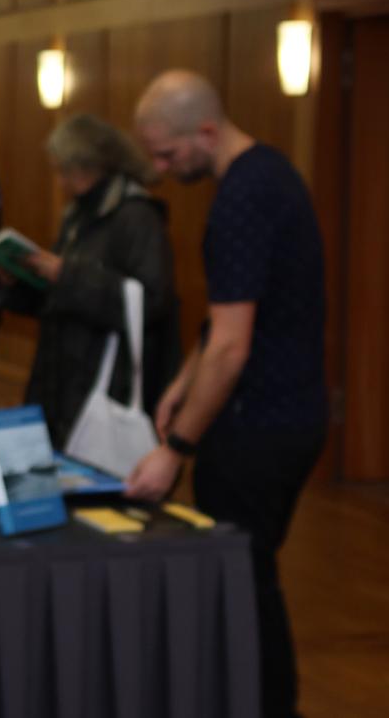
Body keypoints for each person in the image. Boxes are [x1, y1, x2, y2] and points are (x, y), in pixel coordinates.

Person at [127, 69, 326, 718]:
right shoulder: (268, 173)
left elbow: (234, 347)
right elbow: (229, 319)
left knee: (244, 582)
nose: (160, 169)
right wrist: (183, 383)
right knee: (244, 577)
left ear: (207, 132)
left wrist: (175, 448)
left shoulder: (243, 198)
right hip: (282, 412)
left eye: (167, 153)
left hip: (261, 421)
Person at [0, 114, 179, 449]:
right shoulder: (79, 213)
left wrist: (64, 274)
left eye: (65, 171)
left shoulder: (137, 217)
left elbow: (149, 302)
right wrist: (20, 280)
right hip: (62, 375)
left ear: (89, 166)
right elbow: (60, 296)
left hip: (108, 381)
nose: (61, 182)